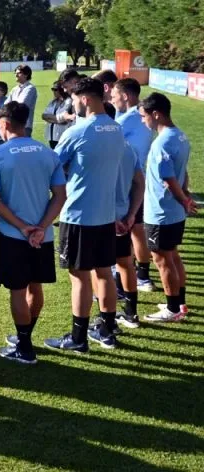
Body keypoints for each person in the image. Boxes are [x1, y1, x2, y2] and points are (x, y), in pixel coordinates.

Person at [0, 102, 67, 365]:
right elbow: (60, 195)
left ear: (4, 124)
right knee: (35, 286)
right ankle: (25, 336)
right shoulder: (48, 153)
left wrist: (21, 226)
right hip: (42, 236)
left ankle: (25, 347)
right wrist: (41, 227)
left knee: (17, 291)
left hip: (12, 236)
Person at [44, 78, 124, 353]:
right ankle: (107, 328)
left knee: (79, 277)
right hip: (105, 213)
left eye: (74, 99)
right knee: (104, 273)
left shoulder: (77, 131)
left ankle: (78, 338)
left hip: (78, 214)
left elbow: (52, 165)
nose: (72, 104)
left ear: (85, 99)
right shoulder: (116, 129)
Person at [139, 93, 195, 321]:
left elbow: (169, 179)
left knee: (162, 259)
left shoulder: (161, 143)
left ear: (156, 114)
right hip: (174, 212)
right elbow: (184, 172)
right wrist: (185, 196)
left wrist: (184, 199)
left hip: (160, 211)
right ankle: (179, 304)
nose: (144, 122)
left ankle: (172, 309)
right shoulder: (180, 136)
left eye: (144, 117)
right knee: (173, 255)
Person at [100, 103, 145, 330]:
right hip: (123, 217)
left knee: (100, 271)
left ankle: (106, 322)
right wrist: (131, 215)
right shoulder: (128, 148)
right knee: (125, 264)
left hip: (101, 218)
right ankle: (131, 314)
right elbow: (140, 183)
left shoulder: (98, 147)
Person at [111, 78, 157, 293]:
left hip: (125, 180)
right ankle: (143, 275)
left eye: (114, 95)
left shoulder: (129, 118)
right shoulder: (142, 116)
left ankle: (121, 279)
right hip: (139, 178)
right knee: (136, 228)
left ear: (126, 96)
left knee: (124, 230)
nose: (112, 99)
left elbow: (106, 137)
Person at [5, 65, 38, 136]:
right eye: (15, 73)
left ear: (26, 74)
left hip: (24, 126)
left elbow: (20, 104)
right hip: (12, 124)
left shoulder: (30, 88)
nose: (16, 75)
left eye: (19, 73)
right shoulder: (14, 89)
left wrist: (11, 106)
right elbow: (6, 104)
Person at [41, 82, 69, 148]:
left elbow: (64, 121)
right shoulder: (52, 102)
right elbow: (44, 116)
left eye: (55, 89)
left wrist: (50, 118)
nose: (53, 91)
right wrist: (58, 120)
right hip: (51, 136)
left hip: (62, 136)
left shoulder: (68, 102)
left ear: (61, 90)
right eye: (52, 89)